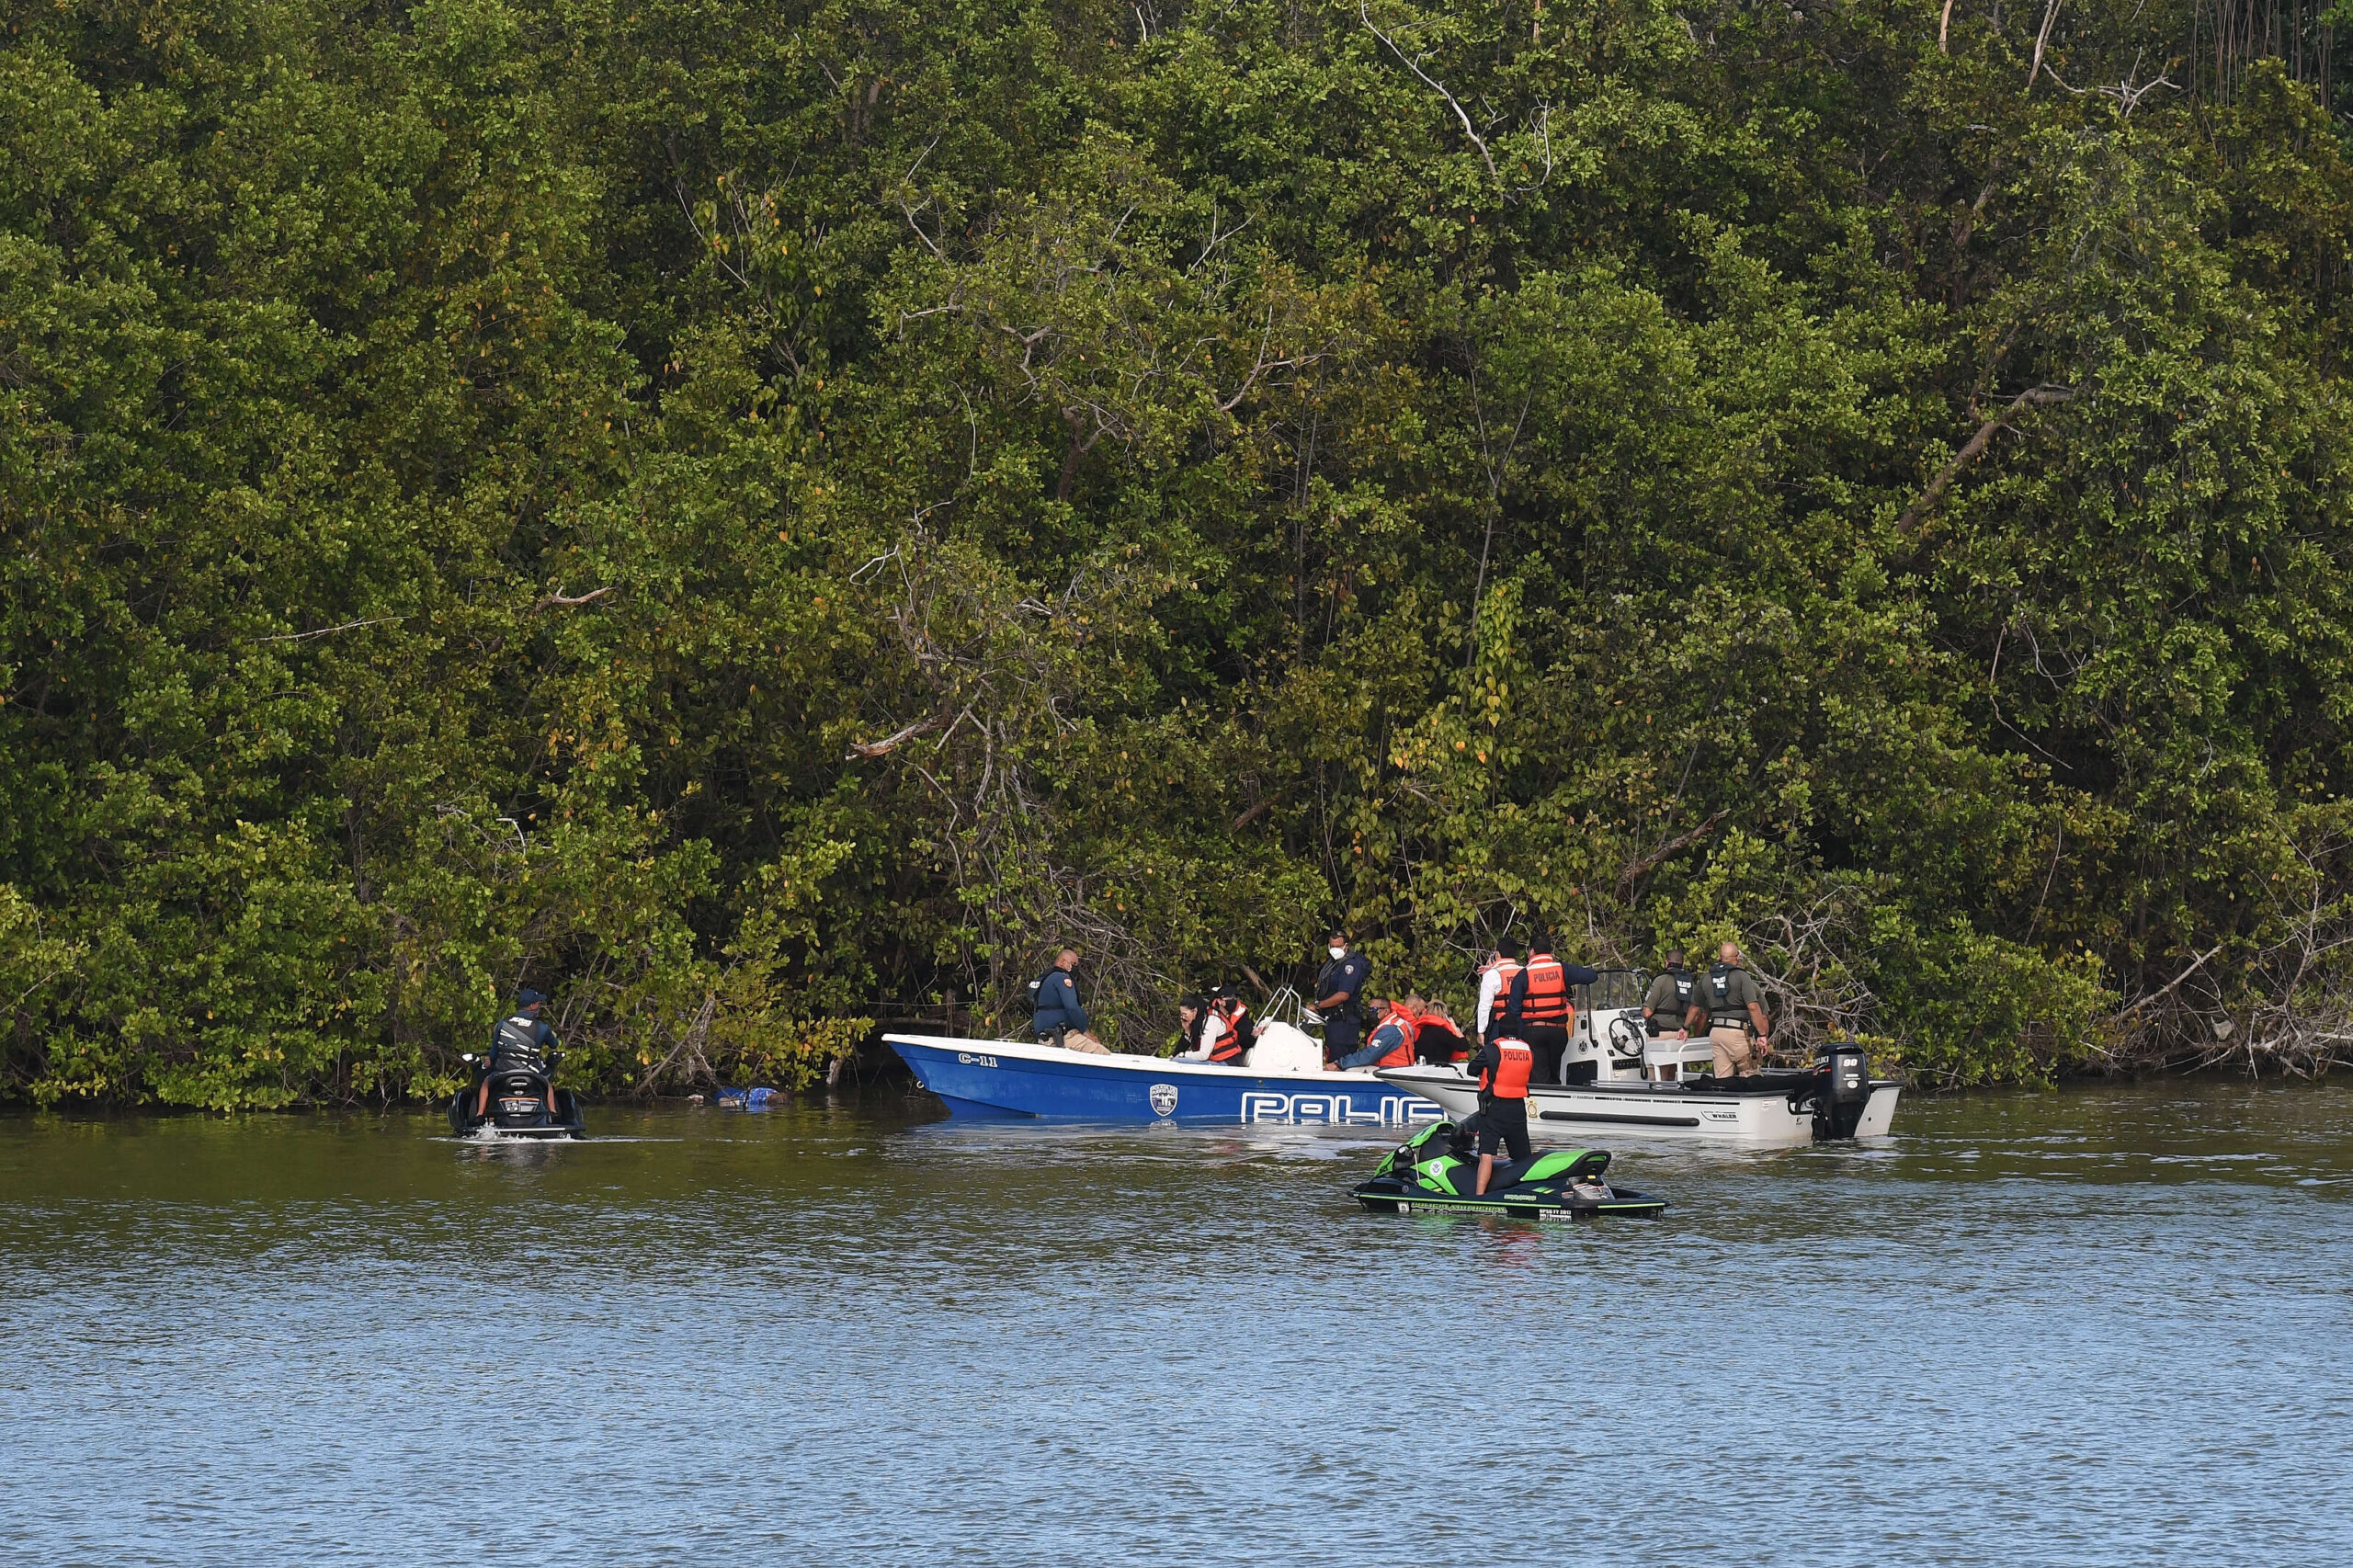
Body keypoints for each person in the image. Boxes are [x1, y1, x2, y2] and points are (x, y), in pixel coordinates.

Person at [1505, 932, 1602, 1085]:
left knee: (1539, 1077)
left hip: (1534, 1032)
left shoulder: (1524, 975)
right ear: (1550, 951)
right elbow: (1591, 976)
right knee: (1555, 1074)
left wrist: (1517, 1036)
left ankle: (1542, 1105)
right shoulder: (1562, 970)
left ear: (1531, 951)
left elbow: (1514, 1010)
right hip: (1558, 1033)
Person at [1467, 1010, 1535, 1194]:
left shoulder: (1492, 1049)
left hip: (1494, 1107)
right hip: (1518, 1109)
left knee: (1486, 1155)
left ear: (1500, 1030)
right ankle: (1526, 1193)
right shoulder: (1527, 1050)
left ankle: (1479, 1197)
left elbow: (1471, 1069)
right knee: (1523, 1158)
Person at [475, 988, 560, 1123]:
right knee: (547, 1084)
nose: (539, 1006)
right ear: (532, 1006)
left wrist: (490, 1061)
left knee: (486, 1083)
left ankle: (480, 1115)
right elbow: (554, 1044)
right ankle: (553, 1114)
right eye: (538, 1003)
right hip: (531, 1073)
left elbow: (494, 1052)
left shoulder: (503, 1023)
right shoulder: (542, 1027)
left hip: (504, 1072)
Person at [1692, 941, 1772, 1079]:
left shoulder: (1707, 978)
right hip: (1738, 1032)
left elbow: (1698, 1010)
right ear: (1737, 958)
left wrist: (1688, 1030)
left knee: (1723, 1080)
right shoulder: (1743, 978)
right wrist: (1762, 1035)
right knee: (1750, 1075)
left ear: (1719, 957)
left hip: (1716, 1032)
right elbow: (1755, 1008)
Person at [1312, 930, 1371, 1066]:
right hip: (1333, 1021)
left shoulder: (1349, 965)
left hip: (1344, 1023)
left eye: (1338, 947)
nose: (1335, 950)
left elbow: (1343, 995)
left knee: (1339, 1063)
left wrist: (1319, 1005)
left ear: (1346, 946)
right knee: (1331, 1057)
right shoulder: (1333, 963)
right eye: (1332, 946)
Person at [1337, 994, 1422, 1070]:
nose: (1371, 1012)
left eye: (1375, 1009)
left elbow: (1369, 1055)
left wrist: (1340, 1064)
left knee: (1350, 1069)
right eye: (1370, 1009)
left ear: (1386, 1011)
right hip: (1390, 1069)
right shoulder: (1389, 1025)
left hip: (1395, 1071)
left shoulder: (1391, 1030)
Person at [1030, 949, 1090, 1049]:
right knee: (1102, 1053)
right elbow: (1072, 1007)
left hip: (1045, 1037)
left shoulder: (1047, 978)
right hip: (1063, 1037)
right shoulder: (1061, 978)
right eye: (1073, 963)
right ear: (1062, 963)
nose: (1076, 967)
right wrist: (1085, 1031)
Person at [1473, 937, 1524, 1046]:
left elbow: (1484, 1005)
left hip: (1500, 1025)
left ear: (1497, 954)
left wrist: (1481, 1031)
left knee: (1498, 1058)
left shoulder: (1492, 974)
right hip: (1521, 1024)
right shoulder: (1524, 971)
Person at [1643, 949, 1698, 1038]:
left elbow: (1647, 1012)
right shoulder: (1691, 984)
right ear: (1683, 964)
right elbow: (1695, 1017)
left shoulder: (1660, 981)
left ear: (1666, 962)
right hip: (1681, 1035)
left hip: (1660, 1033)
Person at [1208, 985, 1255, 1064]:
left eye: (1235, 998)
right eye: (1229, 998)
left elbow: (1247, 1041)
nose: (1233, 1000)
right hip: (1209, 1055)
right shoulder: (1208, 1013)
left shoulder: (1242, 1017)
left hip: (1230, 1059)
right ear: (1219, 1001)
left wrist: (1254, 1035)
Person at [1413, 999, 1469, 1064]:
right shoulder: (1442, 1033)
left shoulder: (1422, 1030)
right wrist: (1455, 1028)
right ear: (1444, 1015)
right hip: (1439, 1070)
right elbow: (1464, 1046)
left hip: (1421, 1068)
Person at [1173, 994, 1211, 1060]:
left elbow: (1203, 1055)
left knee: (1179, 1060)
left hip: (1218, 1062)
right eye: (1181, 1015)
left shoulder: (1208, 1022)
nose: (1183, 1018)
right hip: (1206, 1059)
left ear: (1194, 1011)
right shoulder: (1194, 1021)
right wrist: (1187, 1031)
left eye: (1185, 1014)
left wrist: (1184, 1055)